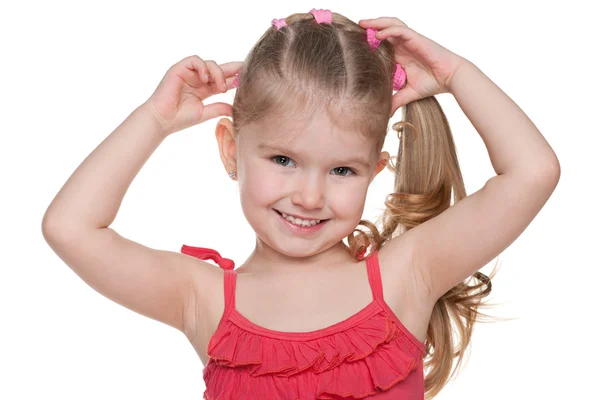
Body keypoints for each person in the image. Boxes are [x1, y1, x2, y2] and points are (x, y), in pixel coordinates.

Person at [41, 8, 560, 400]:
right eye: (284, 160)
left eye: (341, 170)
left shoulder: (409, 274)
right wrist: (154, 120)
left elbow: (533, 172)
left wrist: (455, 74)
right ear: (230, 150)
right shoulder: (203, 298)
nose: (309, 196)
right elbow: (70, 228)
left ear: (373, 172)